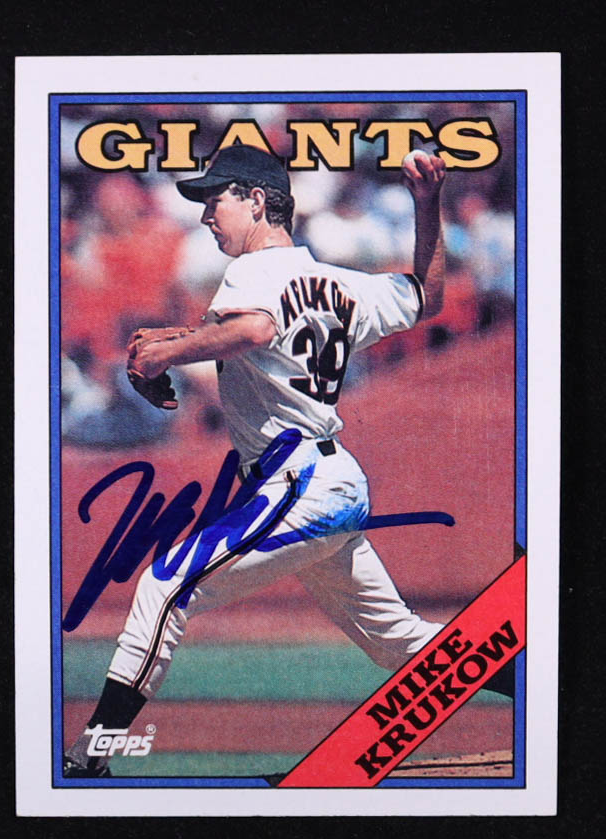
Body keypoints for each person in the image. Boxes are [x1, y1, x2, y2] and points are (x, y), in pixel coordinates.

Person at [64, 144, 509, 779]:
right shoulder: (340, 282)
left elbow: (256, 330)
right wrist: (427, 204)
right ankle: (540, 681)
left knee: (164, 587)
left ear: (256, 201)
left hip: (300, 482)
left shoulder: (251, 270)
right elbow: (426, 297)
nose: (206, 214)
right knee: (398, 641)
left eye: (216, 199)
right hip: (329, 480)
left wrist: (167, 352)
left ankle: (91, 759)